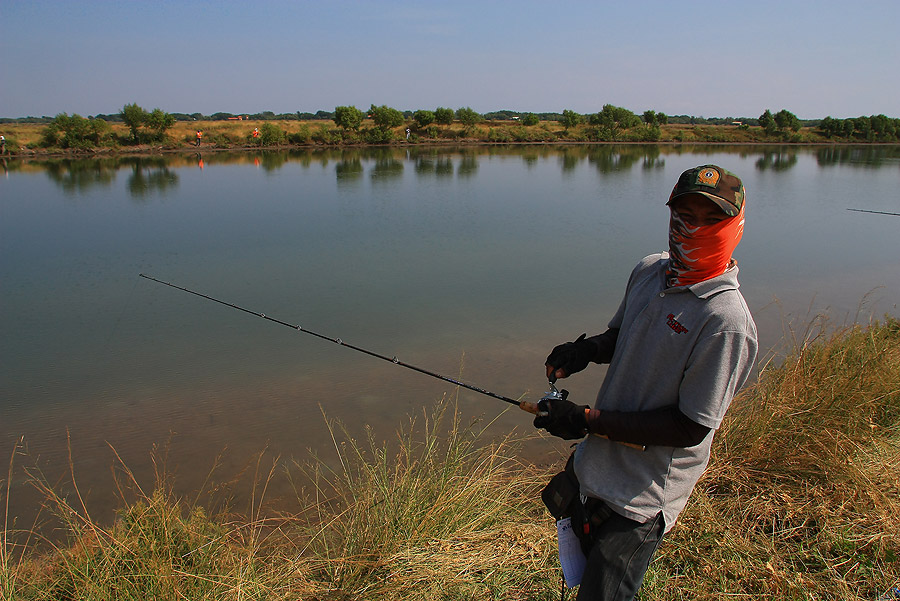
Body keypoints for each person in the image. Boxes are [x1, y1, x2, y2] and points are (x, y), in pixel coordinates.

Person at [535, 164, 758, 601]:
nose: (691, 227)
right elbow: (622, 335)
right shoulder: (651, 270)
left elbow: (690, 427)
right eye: (683, 213)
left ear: (735, 226)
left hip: (641, 496)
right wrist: (584, 351)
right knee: (580, 576)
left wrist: (586, 418)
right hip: (595, 466)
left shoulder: (726, 322)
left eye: (710, 219)